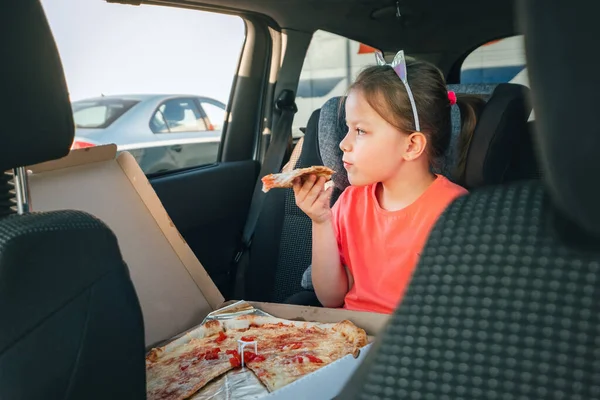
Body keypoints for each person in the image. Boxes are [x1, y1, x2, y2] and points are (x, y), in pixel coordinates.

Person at [293, 51, 482, 314]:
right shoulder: (350, 201)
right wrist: (321, 221)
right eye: (347, 128)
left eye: (360, 131)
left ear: (412, 145)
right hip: (352, 336)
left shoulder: (456, 212)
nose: (342, 143)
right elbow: (331, 299)